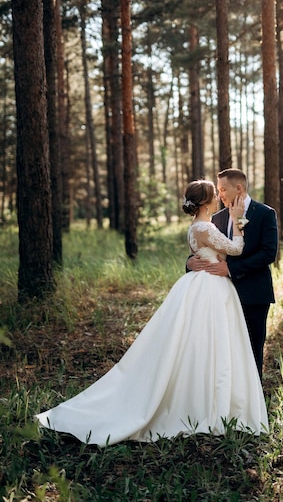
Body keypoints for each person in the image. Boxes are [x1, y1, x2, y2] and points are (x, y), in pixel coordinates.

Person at [35, 180, 268, 447]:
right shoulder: (205, 227)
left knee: (197, 343)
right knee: (206, 342)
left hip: (202, 286)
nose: (218, 198)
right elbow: (235, 249)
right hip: (210, 288)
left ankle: (210, 397)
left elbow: (208, 253)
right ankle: (203, 403)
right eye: (214, 195)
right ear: (205, 202)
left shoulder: (198, 227)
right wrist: (238, 223)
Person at [187, 169, 278, 379]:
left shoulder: (264, 213)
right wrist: (190, 262)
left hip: (253, 293)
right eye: (217, 190)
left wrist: (231, 269)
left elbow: (268, 253)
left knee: (252, 348)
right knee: (223, 350)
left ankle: (253, 402)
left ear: (238, 188)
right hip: (218, 296)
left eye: (223, 189)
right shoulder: (216, 218)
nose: (220, 195)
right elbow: (203, 249)